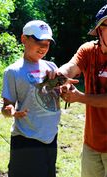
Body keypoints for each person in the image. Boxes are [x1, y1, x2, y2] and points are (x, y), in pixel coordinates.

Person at [1, 20, 60, 177]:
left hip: (50, 137)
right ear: (24, 39)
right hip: (26, 139)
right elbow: (7, 107)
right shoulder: (13, 71)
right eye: (38, 41)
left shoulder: (52, 67)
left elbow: (58, 94)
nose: (43, 47)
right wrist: (11, 111)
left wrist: (67, 88)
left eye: (47, 43)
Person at [58, 4, 107, 177]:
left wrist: (78, 97)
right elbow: (71, 66)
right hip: (91, 144)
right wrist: (60, 77)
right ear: (98, 30)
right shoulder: (87, 50)